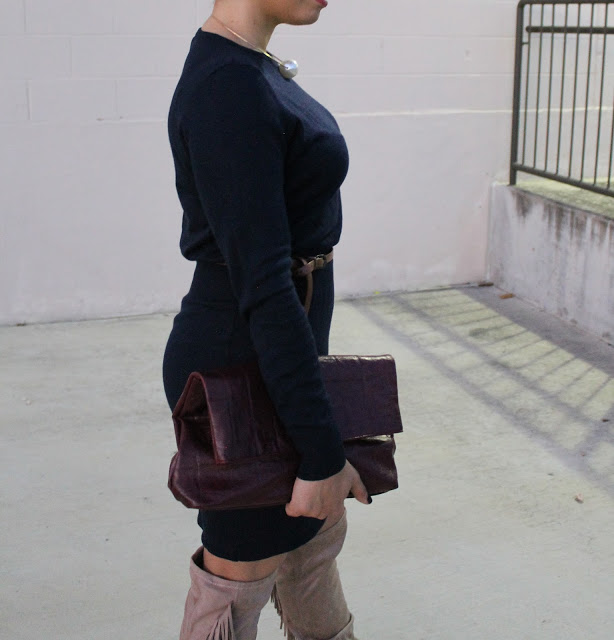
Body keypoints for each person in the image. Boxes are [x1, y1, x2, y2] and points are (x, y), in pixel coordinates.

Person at [163, 1, 370, 638]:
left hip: (279, 349)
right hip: (241, 364)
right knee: (239, 576)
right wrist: (320, 451)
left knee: (311, 543)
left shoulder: (250, 66)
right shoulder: (229, 86)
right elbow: (264, 285)